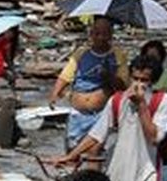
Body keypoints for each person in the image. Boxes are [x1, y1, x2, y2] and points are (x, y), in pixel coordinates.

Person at [54, 55, 167, 181]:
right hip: (117, 172)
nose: (138, 84)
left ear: (153, 82)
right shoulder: (117, 101)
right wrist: (73, 155)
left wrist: (142, 105)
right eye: (135, 78)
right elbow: (97, 134)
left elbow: (155, 137)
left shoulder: (163, 102)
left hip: (146, 173)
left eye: (144, 81)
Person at [49, 17, 127, 156]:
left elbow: (122, 86)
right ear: (91, 34)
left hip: (100, 114)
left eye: (105, 33)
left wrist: (108, 76)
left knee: (94, 152)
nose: (101, 37)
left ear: (111, 35)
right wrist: (55, 94)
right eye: (97, 33)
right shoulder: (81, 53)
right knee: (72, 152)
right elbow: (66, 76)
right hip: (77, 114)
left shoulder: (117, 55)